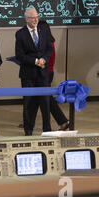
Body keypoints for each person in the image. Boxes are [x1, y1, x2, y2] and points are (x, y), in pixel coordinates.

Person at [15, 8, 52, 136]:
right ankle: (28, 131)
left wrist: (44, 60)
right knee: (29, 104)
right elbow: (19, 55)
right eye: (32, 17)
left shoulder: (44, 30)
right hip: (28, 75)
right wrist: (36, 61)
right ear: (26, 19)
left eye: (37, 17)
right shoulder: (20, 34)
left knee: (46, 104)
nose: (35, 19)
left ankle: (47, 131)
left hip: (43, 74)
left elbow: (49, 50)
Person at [38, 20, 70, 131]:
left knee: (46, 100)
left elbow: (44, 60)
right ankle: (62, 121)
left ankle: (61, 122)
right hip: (47, 73)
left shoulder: (47, 43)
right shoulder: (49, 41)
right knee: (46, 99)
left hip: (45, 74)